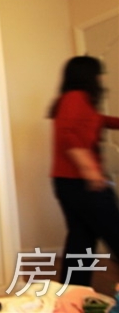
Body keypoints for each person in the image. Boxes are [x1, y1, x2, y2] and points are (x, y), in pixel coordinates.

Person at [49, 55, 119, 287]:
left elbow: (96, 120)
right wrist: (90, 170)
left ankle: (72, 294)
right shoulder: (75, 98)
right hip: (80, 182)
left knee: (82, 240)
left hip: (68, 182)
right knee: (114, 232)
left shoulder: (77, 101)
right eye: (100, 73)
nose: (102, 78)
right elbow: (68, 134)